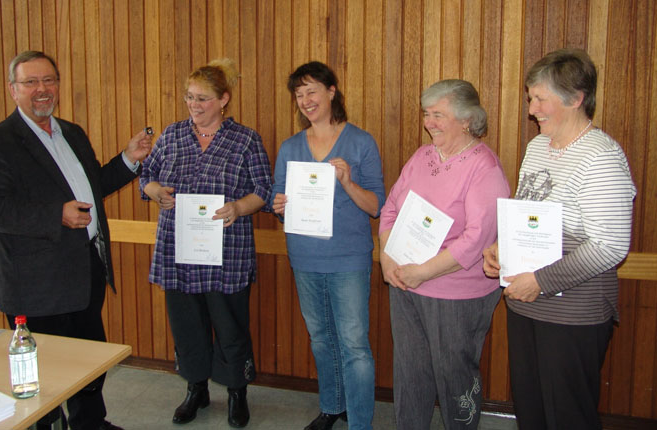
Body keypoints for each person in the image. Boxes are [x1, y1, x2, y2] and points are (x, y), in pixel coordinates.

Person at [0, 50, 152, 430]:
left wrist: (128, 159)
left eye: (48, 80)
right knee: (45, 373)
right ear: (13, 89)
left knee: (87, 361)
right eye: (31, 82)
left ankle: (90, 423)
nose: (42, 89)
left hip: (86, 269)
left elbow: (91, 187)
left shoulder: (72, 133)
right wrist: (56, 215)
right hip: (37, 284)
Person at [483, 48, 636, 430]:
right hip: (526, 305)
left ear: (575, 98)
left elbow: (610, 245)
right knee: (531, 411)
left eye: (540, 99)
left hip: (572, 316)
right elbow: (526, 211)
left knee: (568, 416)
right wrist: (502, 248)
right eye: (530, 98)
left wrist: (541, 281)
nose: (531, 109)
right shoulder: (538, 147)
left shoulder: (601, 157)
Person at [140, 58, 272, 428]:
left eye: (202, 98)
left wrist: (239, 207)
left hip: (227, 252)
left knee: (230, 326)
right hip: (178, 249)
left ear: (223, 100)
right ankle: (196, 389)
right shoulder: (171, 135)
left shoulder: (245, 140)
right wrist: (155, 191)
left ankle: (236, 392)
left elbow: (264, 189)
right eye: (189, 97)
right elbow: (147, 175)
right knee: (187, 326)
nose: (193, 105)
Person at [379, 79, 510, 429]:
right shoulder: (421, 157)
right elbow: (390, 209)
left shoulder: (484, 167)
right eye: (426, 114)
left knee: (455, 375)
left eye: (438, 115)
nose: (429, 122)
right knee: (410, 371)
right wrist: (388, 259)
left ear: (467, 120)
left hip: (456, 293)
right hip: (405, 283)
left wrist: (422, 272)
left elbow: (477, 239)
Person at [271, 61, 385, 430]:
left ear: (332, 92)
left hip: (348, 259)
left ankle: (360, 423)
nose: (306, 100)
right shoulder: (290, 147)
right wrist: (279, 206)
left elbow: (376, 205)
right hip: (305, 257)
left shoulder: (361, 142)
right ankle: (332, 406)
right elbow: (277, 200)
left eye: (312, 91)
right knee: (321, 339)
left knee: (354, 345)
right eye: (299, 94)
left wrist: (348, 182)